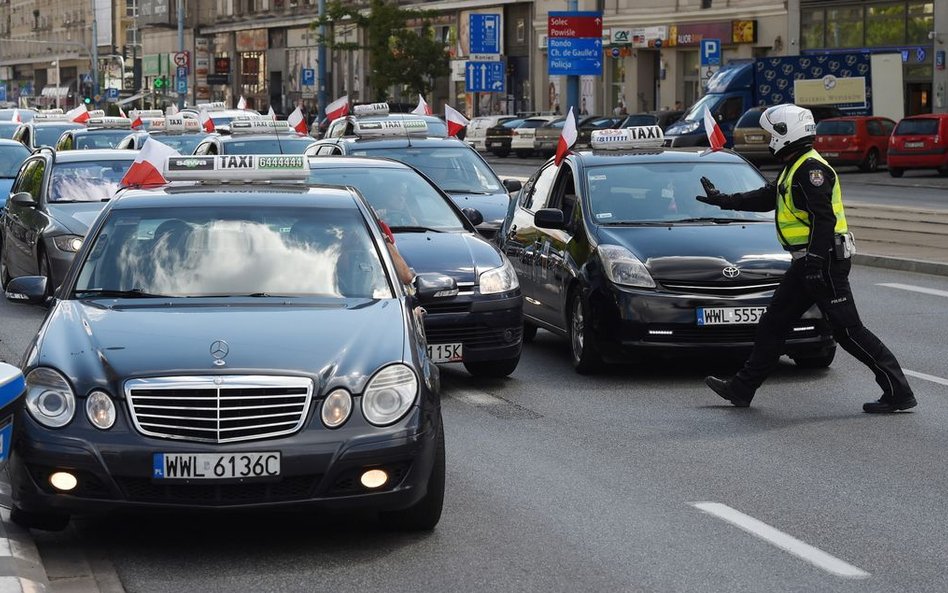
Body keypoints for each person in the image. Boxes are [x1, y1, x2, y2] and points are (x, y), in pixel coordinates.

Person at [695, 103, 916, 414]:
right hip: (809, 262)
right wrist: (724, 201)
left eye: (771, 133)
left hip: (822, 262)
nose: (769, 139)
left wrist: (814, 261)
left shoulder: (812, 170)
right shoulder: (795, 165)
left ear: (786, 133)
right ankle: (742, 388)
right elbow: (769, 196)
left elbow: (823, 220)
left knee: (849, 331)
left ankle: (898, 391)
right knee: (773, 324)